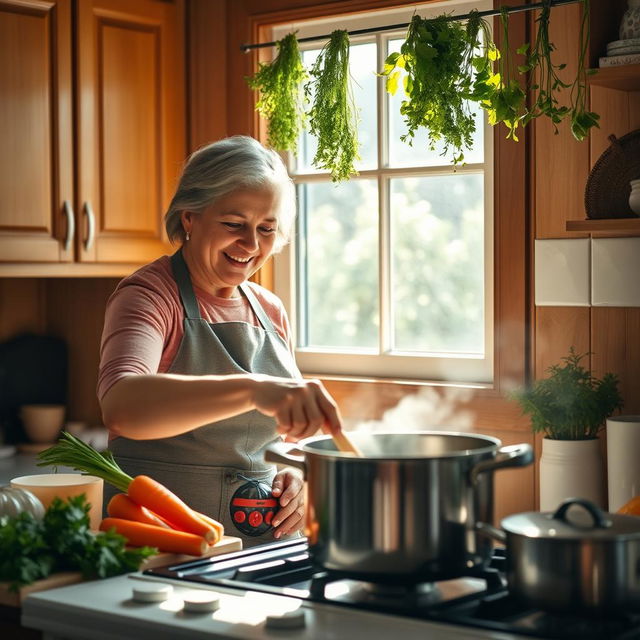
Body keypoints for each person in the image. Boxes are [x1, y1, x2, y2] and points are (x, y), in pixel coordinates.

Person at [97, 136, 344, 548]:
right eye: (234, 224)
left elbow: (281, 440)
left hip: (262, 552)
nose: (251, 245)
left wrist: (297, 474)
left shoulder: (269, 309)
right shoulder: (149, 295)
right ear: (190, 216)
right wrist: (252, 389)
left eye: (267, 229)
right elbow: (121, 406)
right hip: (165, 551)